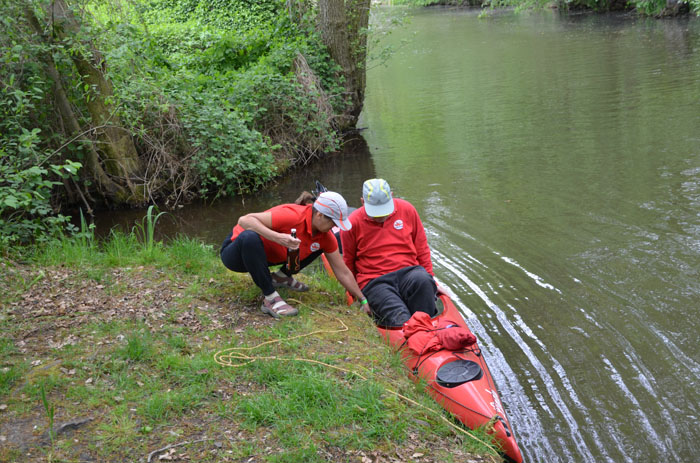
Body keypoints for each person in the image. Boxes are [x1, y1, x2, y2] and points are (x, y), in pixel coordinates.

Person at [220, 191, 370, 318]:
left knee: (316, 245)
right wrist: (278, 237)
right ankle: (270, 298)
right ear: (319, 215)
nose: (335, 227)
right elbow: (244, 220)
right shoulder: (291, 215)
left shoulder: (326, 236)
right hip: (237, 254)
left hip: (266, 257)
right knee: (250, 237)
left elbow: (342, 271)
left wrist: (362, 299)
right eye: (334, 223)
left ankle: (281, 278)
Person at [341, 178, 439, 327]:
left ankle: (429, 326)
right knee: (401, 319)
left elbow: (422, 249)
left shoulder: (407, 210)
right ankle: (407, 331)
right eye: (376, 213)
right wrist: (357, 297)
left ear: (392, 196)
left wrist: (431, 279)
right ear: (362, 202)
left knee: (423, 280)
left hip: (409, 272)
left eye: (384, 212)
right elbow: (349, 262)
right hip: (375, 281)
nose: (381, 217)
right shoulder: (352, 223)